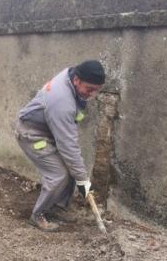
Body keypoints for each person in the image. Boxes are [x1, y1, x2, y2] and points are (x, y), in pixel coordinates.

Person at [15, 60, 105, 232]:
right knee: (59, 175)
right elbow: (68, 146)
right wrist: (83, 181)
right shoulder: (61, 102)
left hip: (49, 131)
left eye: (97, 89)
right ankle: (37, 215)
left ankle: (57, 208)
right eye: (89, 89)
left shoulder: (70, 76)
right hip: (32, 135)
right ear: (77, 80)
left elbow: (68, 143)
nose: (92, 94)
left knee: (73, 169)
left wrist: (79, 176)